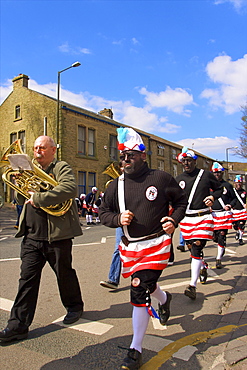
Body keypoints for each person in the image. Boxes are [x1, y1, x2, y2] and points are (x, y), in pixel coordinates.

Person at [99, 127, 187, 370]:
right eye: (122, 157)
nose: (125, 161)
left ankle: (135, 348)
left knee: (138, 288)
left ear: (143, 156)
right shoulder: (114, 186)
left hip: (157, 244)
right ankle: (165, 298)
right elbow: (102, 213)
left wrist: (173, 220)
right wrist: (117, 220)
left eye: (130, 156)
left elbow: (181, 201)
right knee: (146, 284)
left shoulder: (160, 178)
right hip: (131, 248)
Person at [0, 136, 84, 343]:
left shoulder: (61, 167)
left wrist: (38, 198)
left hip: (57, 237)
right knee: (26, 281)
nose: (38, 151)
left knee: (64, 274)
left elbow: (69, 189)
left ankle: (74, 307)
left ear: (53, 150)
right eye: (36, 148)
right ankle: (17, 325)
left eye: (42, 148)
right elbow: (21, 198)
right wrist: (20, 180)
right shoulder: (29, 169)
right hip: (31, 236)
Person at [176, 147, 223, 300]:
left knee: (196, 247)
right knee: (192, 249)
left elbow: (220, 189)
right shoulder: (179, 179)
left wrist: (213, 197)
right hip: (187, 220)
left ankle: (192, 286)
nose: (186, 163)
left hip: (203, 217)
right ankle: (203, 267)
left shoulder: (205, 175)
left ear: (195, 161)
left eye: (189, 160)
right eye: (184, 161)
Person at [211, 162, 237, 268]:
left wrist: (229, 205)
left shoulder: (227, 186)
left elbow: (234, 199)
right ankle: (219, 243)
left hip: (224, 214)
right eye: (215, 173)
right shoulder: (208, 186)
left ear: (222, 173)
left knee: (222, 235)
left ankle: (218, 259)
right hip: (212, 215)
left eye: (219, 173)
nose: (217, 175)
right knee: (215, 237)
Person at [232, 175, 247, 245]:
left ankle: (240, 238)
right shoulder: (232, 192)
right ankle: (237, 231)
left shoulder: (244, 192)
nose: (239, 184)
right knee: (235, 225)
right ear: (235, 183)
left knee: (241, 225)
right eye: (237, 182)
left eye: (240, 182)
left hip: (242, 211)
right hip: (234, 211)